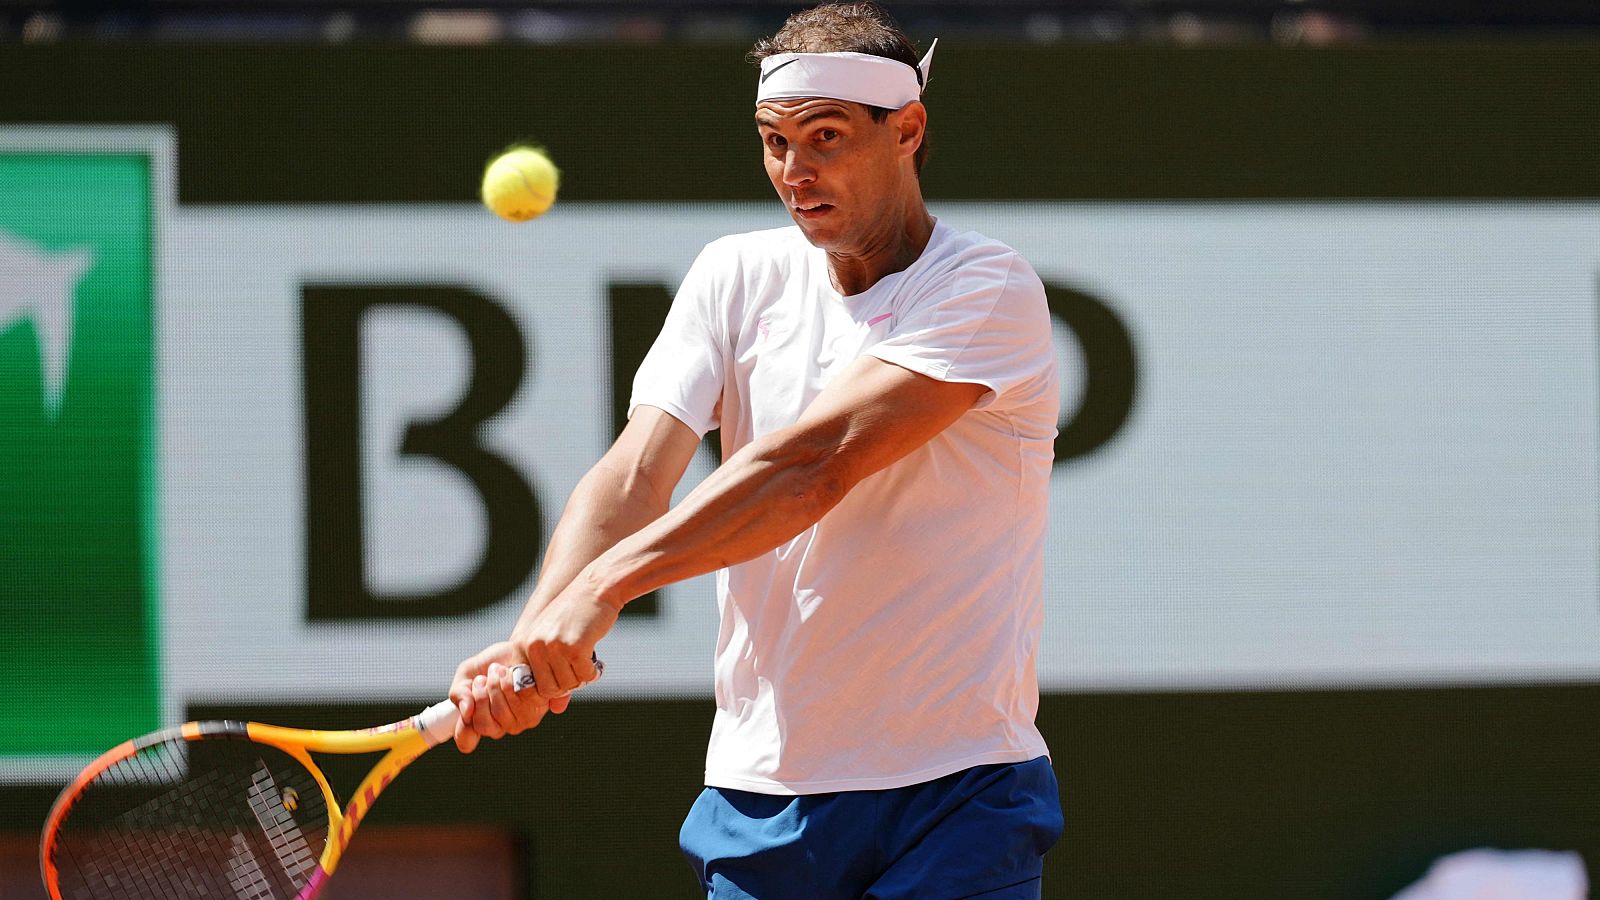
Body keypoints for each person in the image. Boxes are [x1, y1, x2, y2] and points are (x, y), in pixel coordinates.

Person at [448, 2, 1064, 896]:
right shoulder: (732, 273)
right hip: (762, 796)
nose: (794, 171)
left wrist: (601, 587)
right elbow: (635, 472)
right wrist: (533, 638)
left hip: (960, 794)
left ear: (909, 131)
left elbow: (810, 468)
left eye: (826, 138)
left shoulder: (987, 286)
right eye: (776, 141)